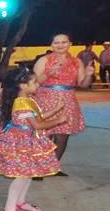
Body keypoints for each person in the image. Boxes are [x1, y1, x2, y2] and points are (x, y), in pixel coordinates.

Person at [0, 68, 65, 211]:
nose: (37, 84)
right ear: (22, 85)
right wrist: (58, 120)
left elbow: (38, 117)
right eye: (34, 82)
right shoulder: (21, 103)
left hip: (29, 140)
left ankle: (20, 202)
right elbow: (38, 125)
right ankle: (9, 210)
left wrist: (56, 110)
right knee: (22, 176)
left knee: (29, 173)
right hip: (21, 143)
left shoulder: (27, 100)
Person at [32, 33, 89, 174]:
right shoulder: (44, 60)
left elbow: (83, 84)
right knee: (44, 135)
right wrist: (49, 73)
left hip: (67, 102)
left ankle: (53, 167)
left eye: (64, 42)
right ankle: (38, 167)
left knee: (62, 137)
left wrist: (89, 74)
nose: (60, 45)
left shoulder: (77, 62)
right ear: (51, 45)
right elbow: (34, 82)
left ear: (70, 44)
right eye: (56, 42)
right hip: (46, 99)